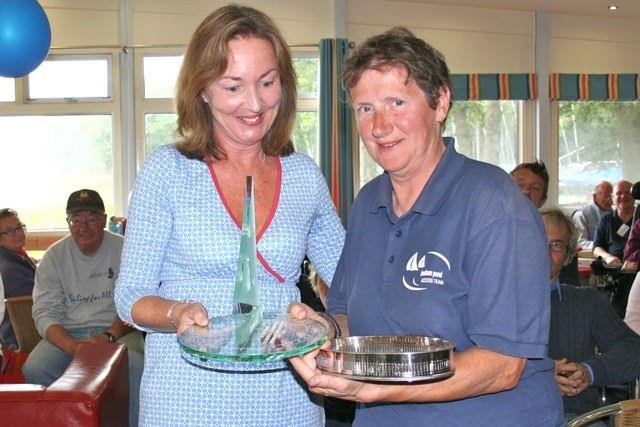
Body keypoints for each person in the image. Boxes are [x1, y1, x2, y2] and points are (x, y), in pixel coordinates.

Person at [289, 27, 563, 426]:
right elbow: (351, 317)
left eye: (396, 102)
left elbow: (504, 364)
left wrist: (377, 388)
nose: (379, 126)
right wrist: (323, 329)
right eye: (365, 109)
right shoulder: (368, 203)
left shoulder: (494, 203)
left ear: (440, 103)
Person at [114, 5, 345, 426]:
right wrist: (177, 313)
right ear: (202, 89)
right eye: (233, 86)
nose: (254, 103)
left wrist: (329, 324)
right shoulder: (169, 171)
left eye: (267, 82)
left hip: (286, 398)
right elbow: (130, 297)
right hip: (186, 397)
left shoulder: (303, 175)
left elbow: (352, 279)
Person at [22, 189, 144, 427]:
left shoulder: (126, 250)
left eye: (92, 218)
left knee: (137, 365)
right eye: (76, 220)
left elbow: (136, 301)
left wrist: (108, 336)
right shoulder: (53, 257)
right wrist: (72, 346)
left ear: (104, 219)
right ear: (68, 222)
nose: (84, 227)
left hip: (118, 332)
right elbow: (44, 313)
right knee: (35, 368)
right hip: (69, 334)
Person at [541, 208, 640, 421]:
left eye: (556, 245)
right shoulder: (496, 302)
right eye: (537, 240)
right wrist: (540, 377)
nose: (545, 252)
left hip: (577, 417)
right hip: (515, 415)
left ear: (568, 256)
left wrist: (590, 371)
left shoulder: (587, 302)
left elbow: (634, 351)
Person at [0, 208, 37, 349]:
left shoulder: (16, 257)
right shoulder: (9, 270)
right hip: (25, 338)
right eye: (10, 231)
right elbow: (43, 296)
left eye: (19, 227)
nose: (19, 234)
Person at [593, 180, 634, 265]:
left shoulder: (638, 218)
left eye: (627, 193)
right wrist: (608, 257)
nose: (623, 196)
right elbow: (597, 248)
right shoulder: (605, 220)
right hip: (613, 269)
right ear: (612, 198)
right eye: (619, 193)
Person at [572, 180, 613, 251]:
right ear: (594, 197)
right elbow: (579, 242)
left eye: (612, 196)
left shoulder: (614, 213)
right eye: (606, 196)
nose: (610, 200)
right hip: (591, 255)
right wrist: (600, 247)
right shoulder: (582, 214)